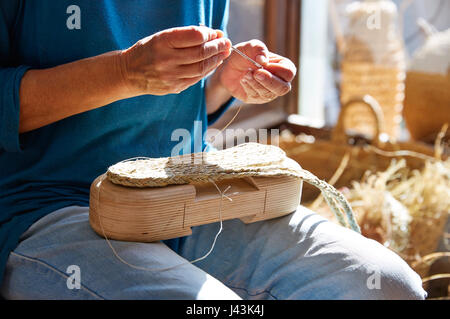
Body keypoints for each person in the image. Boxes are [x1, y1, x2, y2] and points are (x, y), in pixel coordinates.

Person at [0, 1, 426, 300]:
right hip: (44, 202)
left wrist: (223, 83)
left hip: (184, 183)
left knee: (386, 286)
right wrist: (123, 72)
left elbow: (177, 107)